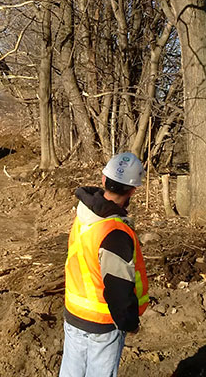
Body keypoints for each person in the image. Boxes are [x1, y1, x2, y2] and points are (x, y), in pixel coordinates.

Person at [60, 152, 149, 377]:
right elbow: (118, 289)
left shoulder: (85, 212)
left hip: (74, 315)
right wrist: (129, 322)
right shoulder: (115, 233)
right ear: (132, 190)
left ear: (103, 180)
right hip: (102, 324)